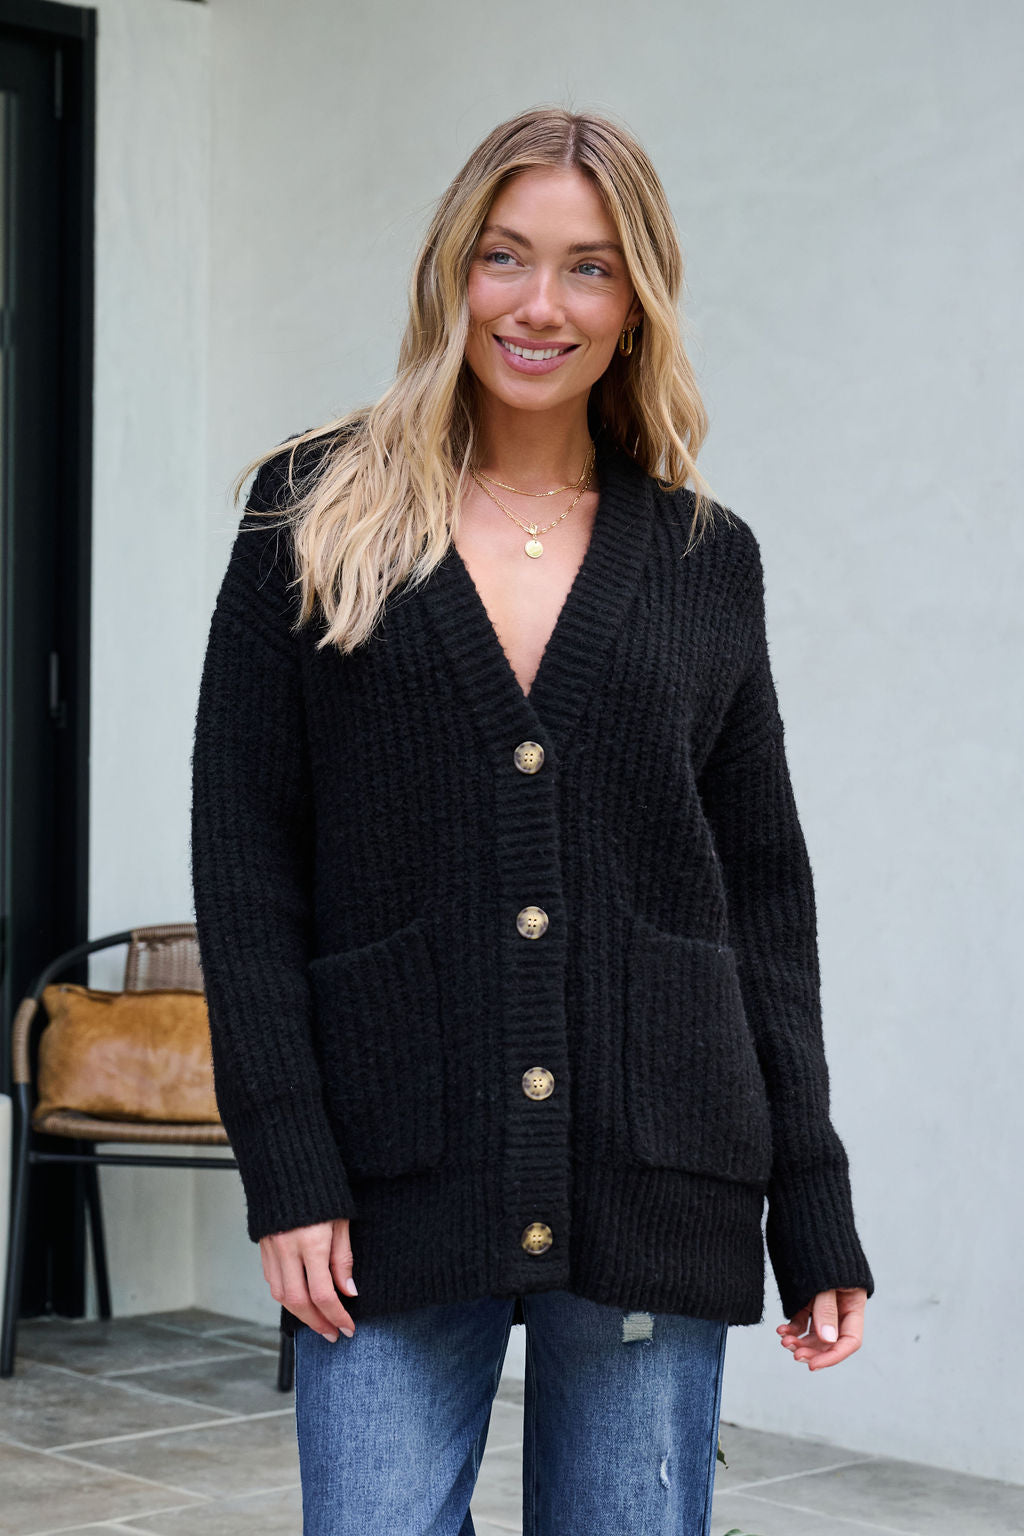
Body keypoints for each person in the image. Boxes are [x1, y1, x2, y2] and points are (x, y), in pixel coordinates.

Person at [190, 105, 874, 1536]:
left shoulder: (701, 559)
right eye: (507, 257)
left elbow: (762, 900)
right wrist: (288, 1168)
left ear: (637, 302)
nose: (540, 305)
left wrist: (811, 1195)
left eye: (589, 267)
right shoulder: (308, 516)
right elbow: (248, 870)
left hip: (655, 1162)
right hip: (390, 1169)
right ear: (454, 269)